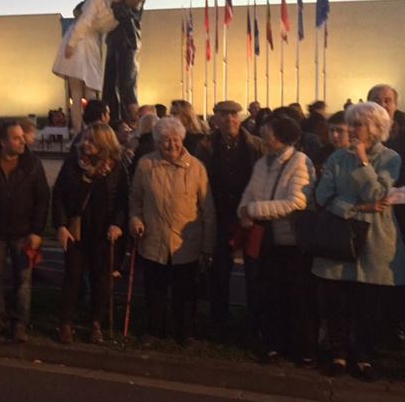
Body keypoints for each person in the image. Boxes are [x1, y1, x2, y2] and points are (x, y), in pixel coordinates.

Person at [311, 102, 405, 380]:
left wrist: (363, 161)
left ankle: (363, 355)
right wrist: (356, 208)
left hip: (375, 239)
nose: (352, 129)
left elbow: (377, 193)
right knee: (337, 301)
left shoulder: (390, 158)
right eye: (351, 124)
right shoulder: (336, 158)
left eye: (359, 124)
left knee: (368, 304)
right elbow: (323, 195)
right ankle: (339, 354)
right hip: (340, 236)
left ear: (376, 128)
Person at [129, 117, 215, 343]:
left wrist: (207, 246)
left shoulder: (196, 167)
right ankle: (155, 329)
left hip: (186, 243)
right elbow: (135, 200)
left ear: (182, 139)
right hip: (154, 240)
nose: (171, 144)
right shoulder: (146, 165)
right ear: (157, 142)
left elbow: (207, 210)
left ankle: (185, 332)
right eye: (165, 140)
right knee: (154, 290)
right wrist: (135, 220)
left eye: (175, 139)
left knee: (185, 292)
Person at [238, 117, 315, 363]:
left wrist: (254, 210)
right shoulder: (263, 163)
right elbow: (249, 192)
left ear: (280, 136)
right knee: (271, 294)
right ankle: (273, 343)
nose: (263, 133)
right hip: (267, 240)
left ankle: (301, 348)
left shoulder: (300, 161)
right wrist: (243, 210)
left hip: (291, 242)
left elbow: (297, 202)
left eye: (268, 130)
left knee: (296, 297)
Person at [0, 121, 50, 343]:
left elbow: (42, 199)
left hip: (23, 232)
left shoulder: (32, 165)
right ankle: (0, 317)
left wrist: (37, 231)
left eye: (22, 136)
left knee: (23, 281)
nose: (22, 141)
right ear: (3, 141)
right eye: (16, 138)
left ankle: (20, 324)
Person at [193, 100, 264, 337]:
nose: (229, 119)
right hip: (221, 216)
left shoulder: (256, 145)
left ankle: (253, 323)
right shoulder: (205, 146)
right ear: (215, 119)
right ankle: (219, 322)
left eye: (233, 114)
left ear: (240, 118)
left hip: (251, 218)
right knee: (219, 272)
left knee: (254, 273)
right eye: (223, 115)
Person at [53, 122, 128, 344]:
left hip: (103, 232)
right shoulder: (73, 164)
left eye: (91, 141)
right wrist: (61, 225)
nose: (85, 144)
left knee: (101, 279)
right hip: (77, 231)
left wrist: (118, 224)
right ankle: (65, 322)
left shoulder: (115, 168)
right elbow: (59, 195)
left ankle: (96, 322)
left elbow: (123, 200)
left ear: (104, 144)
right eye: (85, 139)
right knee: (72, 276)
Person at [367, 83, 405, 343]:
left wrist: (400, 194)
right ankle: (372, 320)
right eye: (376, 99)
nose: (382, 104)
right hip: (370, 210)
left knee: (398, 267)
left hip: (404, 212)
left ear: (396, 104)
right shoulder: (362, 132)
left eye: (387, 99)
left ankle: (394, 322)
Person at [52, 0, 115, 134]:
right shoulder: (91, 29)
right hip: (85, 66)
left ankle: (80, 130)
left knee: (78, 96)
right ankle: (91, 129)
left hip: (75, 66)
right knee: (88, 97)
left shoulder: (75, 29)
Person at [99, 0, 148, 123]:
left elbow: (123, 13)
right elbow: (96, 0)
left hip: (129, 38)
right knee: (109, 85)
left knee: (127, 85)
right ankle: (112, 122)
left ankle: (130, 123)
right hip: (113, 39)